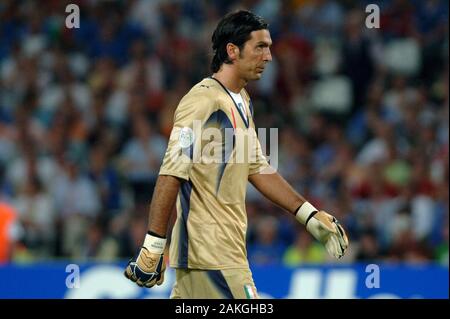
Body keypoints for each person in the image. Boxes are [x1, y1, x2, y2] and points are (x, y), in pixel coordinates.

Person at [124, 10, 348, 299]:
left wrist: (308, 214)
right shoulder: (203, 100)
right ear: (232, 50)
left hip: (216, 256)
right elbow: (171, 171)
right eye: (260, 47)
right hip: (212, 256)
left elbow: (258, 168)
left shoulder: (242, 101)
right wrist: (153, 245)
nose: (268, 57)